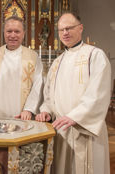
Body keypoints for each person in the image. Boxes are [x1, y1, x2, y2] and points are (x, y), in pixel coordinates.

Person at [35, 12, 111, 174]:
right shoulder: (57, 62)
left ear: (81, 28)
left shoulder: (95, 55)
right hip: (62, 130)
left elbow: (99, 93)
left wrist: (75, 116)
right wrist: (46, 111)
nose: (65, 33)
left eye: (69, 28)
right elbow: (49, 95)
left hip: (84, 129)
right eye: (61, 30)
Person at [0, 16, 43, 120]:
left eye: (17, 31)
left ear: (23, 33)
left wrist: (29, 109)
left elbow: (38, 85)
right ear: (4, 33)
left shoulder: (33, 57)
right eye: (9, 31)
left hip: (23, 116)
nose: (12, 35)